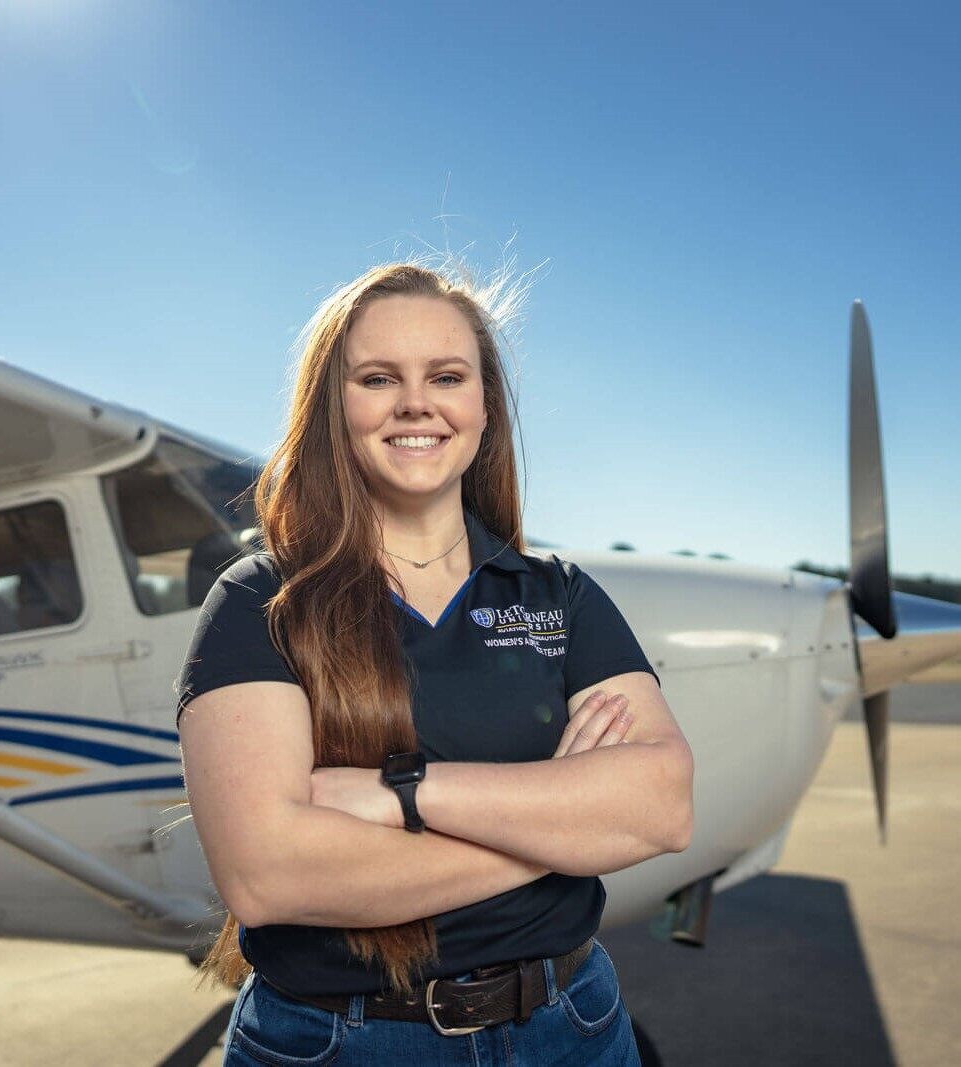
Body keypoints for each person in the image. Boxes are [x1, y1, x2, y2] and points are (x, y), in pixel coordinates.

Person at [174, 260, 694, 1065]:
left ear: (483, 405)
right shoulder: (259, 601)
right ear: (330, 408)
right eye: (378, 377)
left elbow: (660, 805)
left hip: (573, 1026)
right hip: (339, 1041)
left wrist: (402, 793)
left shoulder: (559, 596)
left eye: (446, 375)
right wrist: (567, 828)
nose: (416, 402)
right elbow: (268, 876)